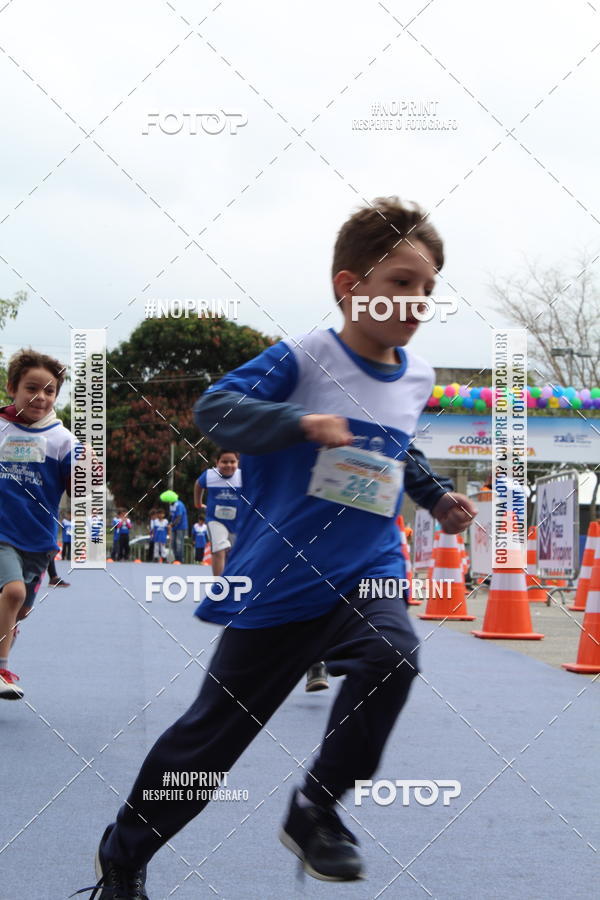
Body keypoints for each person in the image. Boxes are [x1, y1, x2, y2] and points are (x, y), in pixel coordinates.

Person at [82, 197, 476, 896]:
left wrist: (435, 495)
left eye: (429, 289)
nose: (418, 301)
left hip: (367, 570)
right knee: (208, 748)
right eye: (401, 283)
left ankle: (315, 808)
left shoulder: (417, 377)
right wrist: (301, 421)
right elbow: (215, 409)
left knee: (393, 656)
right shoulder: (305, 357)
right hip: (281, 581)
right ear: (350, 286)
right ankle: (124, 854)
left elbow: (394, 448)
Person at [0, 349, 74, 700]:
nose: (40, 397)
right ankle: (1, 669)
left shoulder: (63, 441)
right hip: (2, 533)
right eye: (32, 388)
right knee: (12, 593)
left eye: (49, 391)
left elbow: (79, 489)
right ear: (12, 387)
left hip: (39, 541)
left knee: (19, 610)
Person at [193, 450, 241, 576]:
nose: (228, 465)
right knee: (218, 549)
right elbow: (198, 485)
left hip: (238, 521)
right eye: (224, 462)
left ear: (238, 463)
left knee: (234, 552)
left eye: (232, 462)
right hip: (215, 519)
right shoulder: (210, 475)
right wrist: (198, 502)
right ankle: (219, 586)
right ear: (217, 462)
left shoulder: (243, 476)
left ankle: (233, 580)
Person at [168, 494, 188, 563]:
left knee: (179, 543)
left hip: (181, 527)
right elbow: (171, 515)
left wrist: (172, 524)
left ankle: (180, 560)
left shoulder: (179, 505)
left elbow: (179, 517)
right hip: (174, 527)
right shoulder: (171, 506)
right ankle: (176, 559)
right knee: (173, 543)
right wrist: (169, 522)